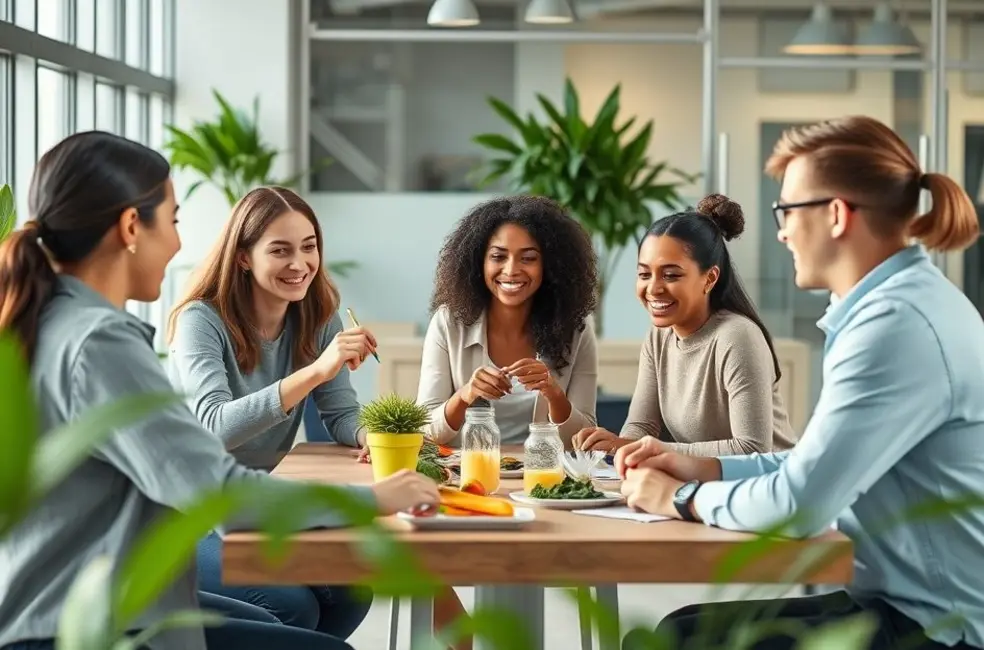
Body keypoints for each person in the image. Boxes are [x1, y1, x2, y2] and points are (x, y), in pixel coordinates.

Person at [0, 131, 439, 650]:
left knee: (324, 602)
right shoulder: (102, 341)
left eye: (308, 247)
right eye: (174, 220)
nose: (179, 243)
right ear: (131, 227)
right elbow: (217, 491)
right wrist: (374, 499)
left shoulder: (57, 322)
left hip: (106, 600)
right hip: (82, 625)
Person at [617, 116, 984, 650]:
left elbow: (801, 503)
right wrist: (703, 466)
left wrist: (682, 497)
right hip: (900, 603)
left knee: (679, 640)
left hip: (938, 629)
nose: (782, 231)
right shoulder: (894, 306)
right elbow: (814, 464)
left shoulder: (895, 325)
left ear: (835, 214)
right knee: (679, 629)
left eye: (786, 210)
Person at [166, 186, 376, 638]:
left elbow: (341, 414)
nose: (299, 264)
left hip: (256, 502)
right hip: (183, 511)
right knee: (289, 605)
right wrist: (315, 371)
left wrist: (372, 439)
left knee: (350, 588)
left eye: (309, 247)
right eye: (280, 250)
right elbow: (213, 426)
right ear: (243, 257)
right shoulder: (200, 320)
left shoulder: (318, 316)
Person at [573, 194, 795, 457]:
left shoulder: (737, 337)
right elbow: (641, 426)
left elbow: (753, 449)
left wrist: (644, 449)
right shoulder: (659, 336)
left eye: (671, 275)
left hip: (769, 480)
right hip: (702, 479)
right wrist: (615, 448)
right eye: (644, 274)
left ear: (709, 278)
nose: (653, 288)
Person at [418, 195, 600, 447]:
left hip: (542, 469)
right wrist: (465, 395)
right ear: (478, 262)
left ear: (550, 265)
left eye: (528, 258)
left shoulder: (577, 327)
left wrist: (553, 393)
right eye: (498, 256)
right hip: (466, 469)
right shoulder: (449, 322)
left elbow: (584, 438)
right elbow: (424, 431)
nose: (511, 270)